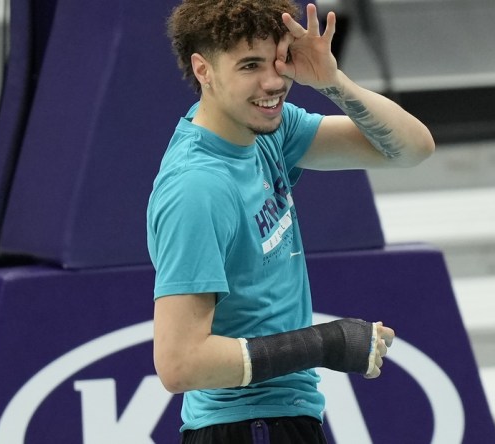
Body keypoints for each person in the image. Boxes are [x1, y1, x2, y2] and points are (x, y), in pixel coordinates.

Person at [147, 1, 435, 442]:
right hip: (245, 428)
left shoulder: (269, 131)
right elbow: (179, 363)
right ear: (203, 70)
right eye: (249, 65)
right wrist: (326, 343)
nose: (273, 81)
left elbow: (412, 149)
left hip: (277, 420)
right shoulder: (198, 188)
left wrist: (331, 80)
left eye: (278, 60)